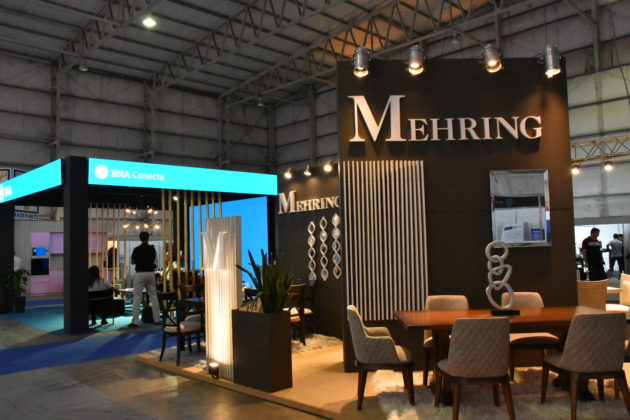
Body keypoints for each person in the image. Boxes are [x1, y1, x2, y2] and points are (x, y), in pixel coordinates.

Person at [128, 231, 160, 328]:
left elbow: (132, 262)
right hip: (150, 273)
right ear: (148, 238)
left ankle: (135, 321)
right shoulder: (152, 249)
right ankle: (157, 319)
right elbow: (154, 260)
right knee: (154, 297)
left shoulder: (136, 249)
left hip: (140, 273)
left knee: (137, 297)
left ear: (140, 238)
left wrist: (139, 260)